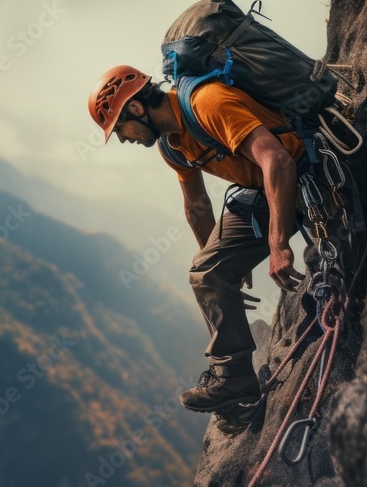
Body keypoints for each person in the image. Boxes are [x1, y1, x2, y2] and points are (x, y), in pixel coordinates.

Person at [87, 65, 307, 418]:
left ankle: (232, 378)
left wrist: (277, 243)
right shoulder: (173, 145)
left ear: (138, 108)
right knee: (205, 272)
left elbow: (276, 158)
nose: (124, 138)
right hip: (261, 191)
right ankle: (235, 385)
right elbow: (196, 206)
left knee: (207, 271)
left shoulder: (207, 105)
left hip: (300, 172)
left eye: (120, 128)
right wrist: (225, 268)